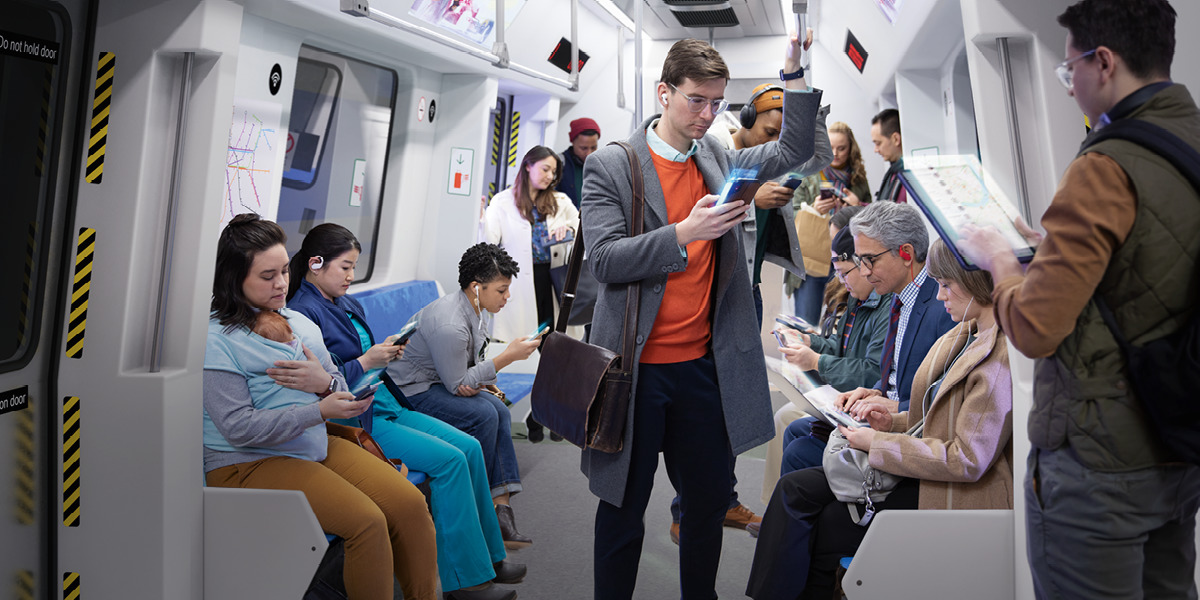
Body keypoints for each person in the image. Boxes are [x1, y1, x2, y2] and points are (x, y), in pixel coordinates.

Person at [957, 1, 1200, 597]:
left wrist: (1000, 262)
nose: (1068, 88)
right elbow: (1148, 264)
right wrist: (1050, 251)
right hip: (1178, 438)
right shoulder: (1188, 136)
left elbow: (1037, 328)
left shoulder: (1105, 165)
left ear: (1105, 62)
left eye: (1069, 72)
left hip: (1101, 459)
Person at [581, 31, 821, 599]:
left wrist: (793, 74)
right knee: (624, 507)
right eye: (697, 100)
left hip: (703, 368)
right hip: (634, 372)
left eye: (717, 103)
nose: (707, 114)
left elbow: (793, 150)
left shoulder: (713, 153)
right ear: (664, 93)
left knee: (708, 503)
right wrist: (683, 234)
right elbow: (605, 260)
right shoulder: (613, 166)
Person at [746, 238, 1014, 600]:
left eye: (947, 285)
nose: (939, 296)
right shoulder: (967, 334)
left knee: (818, 526)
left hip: (951, 491)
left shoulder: (995, 358)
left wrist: (880, 443)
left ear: (976, 283)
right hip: (926, 472)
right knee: (794, 488)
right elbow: (936, 417)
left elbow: (967, 459)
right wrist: (894, 423)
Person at [203, 214, 437, 600]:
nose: (282, 284)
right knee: (367, 523)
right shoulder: (218, 339)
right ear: (234, 279)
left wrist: (324, 384)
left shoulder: (296, 322)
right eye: (267, 276)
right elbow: (238, 427)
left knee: (410, 503)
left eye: (283, 271)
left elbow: (343, 391)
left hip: (308, 443)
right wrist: (318, 411)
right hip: (246, 462)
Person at [287, 224, 524, 600]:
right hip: (353, 419)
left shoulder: (346, 303)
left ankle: (488, 557)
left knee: (470, 448)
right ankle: (467, 582)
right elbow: (322, 382)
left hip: (383, 400)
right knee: (449, 461)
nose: (351, 277)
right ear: (315, 265)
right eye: (345, 268)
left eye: (354, 268)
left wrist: (383, 353)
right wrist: (368, 359)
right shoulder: (302, 314)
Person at [663, 81, 833, 546]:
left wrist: (809, 107)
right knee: (702, 408)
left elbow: (813, 155)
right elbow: (689, 224)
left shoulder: (768, 157)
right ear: (745, 120)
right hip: (708, 301)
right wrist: (750, 200)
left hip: (746, 295)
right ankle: (691, 508)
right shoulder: (714, 154)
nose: (774, 144)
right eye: (770, 131)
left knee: (730, 405)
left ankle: (721, 498)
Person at [389, 243, 541, 550]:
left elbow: (465, 369)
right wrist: (508, 357)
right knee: (484, 414)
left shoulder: (472, 307)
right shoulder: (451, 323)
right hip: (408, 393)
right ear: (477, 287)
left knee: (496, 409)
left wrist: (485, 383)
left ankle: (500, 507)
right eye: (501, 290)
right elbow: (458, 384)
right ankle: (479, 508)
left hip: (432, 382)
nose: (507, 297)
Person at [776, 226, 893, 476]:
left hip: (859, 401)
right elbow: (841, 347)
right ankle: (782, 506)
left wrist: (817, 361)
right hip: (846, 396)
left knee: (792, 434)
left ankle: (786, 506)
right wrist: (810, 342)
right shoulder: (857, 297)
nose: (841, 280)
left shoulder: (885, 303)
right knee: (791, 428)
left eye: (844, 272)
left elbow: (872, 372)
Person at [839, 201, 956, 416]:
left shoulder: (946, 306)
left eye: (870, 260)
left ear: (906, 254)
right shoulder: (897, 295)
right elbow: (894, 375)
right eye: (859, 260)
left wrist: (900, 408)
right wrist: (873, 391)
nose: (864, 272)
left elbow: (950, 396)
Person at [483, 145, 580, 344]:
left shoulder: (560, 201)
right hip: (519, 280)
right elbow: (488, 242)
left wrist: (569, 230)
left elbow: (582, 226)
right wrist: (480, 219)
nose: (550, 176)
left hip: (553, 278)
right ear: (528, 166)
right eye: (545, 169)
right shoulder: (503, 202)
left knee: (553, 336)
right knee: (524, 338)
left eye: (553, 172)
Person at [786, 121, 873, 324]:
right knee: (805, 323)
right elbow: (789, 214)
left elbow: (874, 218)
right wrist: (814, 209)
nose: (836, 153)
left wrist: (856, 205)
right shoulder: (806, 172)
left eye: (842, 148)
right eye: (831, 148)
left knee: (841, 323)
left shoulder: (858, 177)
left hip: (848, 259)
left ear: (851, 148)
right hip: (811, 260)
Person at [558, 117, 601, 210]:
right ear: (573, 142)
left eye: (594, 147)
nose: (589, 153)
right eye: (583, 148)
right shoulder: (559, 164)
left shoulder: (602, 165)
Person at [869, 108, 906, 203]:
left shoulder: (907, 179)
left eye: (878, 143)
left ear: (896, 139)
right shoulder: (894, 173)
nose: (875, 150)